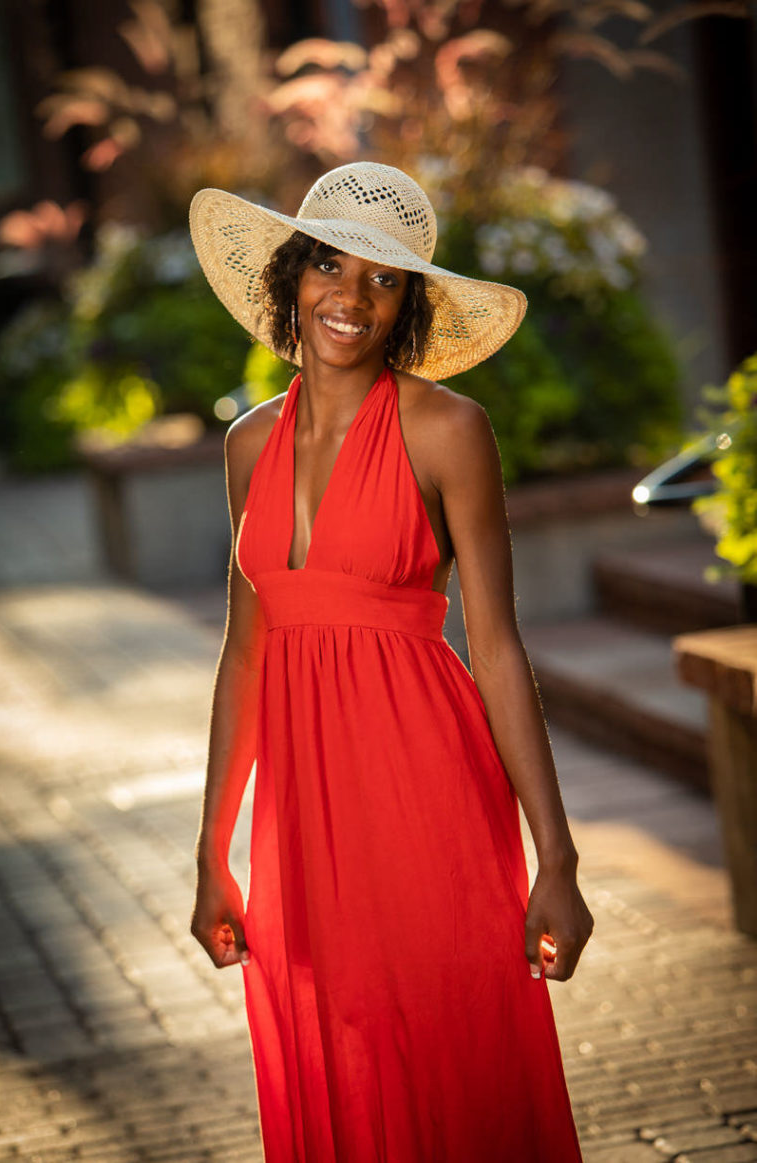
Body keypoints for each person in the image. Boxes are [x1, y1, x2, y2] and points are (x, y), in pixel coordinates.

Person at [188, 161, 593, 1162]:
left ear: (410, 299)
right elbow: (245, 656)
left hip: (426, 786)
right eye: (329, 265)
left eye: (384, 278)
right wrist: (213, 853)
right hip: (301, 816)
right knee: (335, 1049)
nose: (352, 298)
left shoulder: (448, 430)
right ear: (291, 276)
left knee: (450, 1043)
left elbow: (494, 646)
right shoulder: (247, 445)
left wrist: (559, 859)